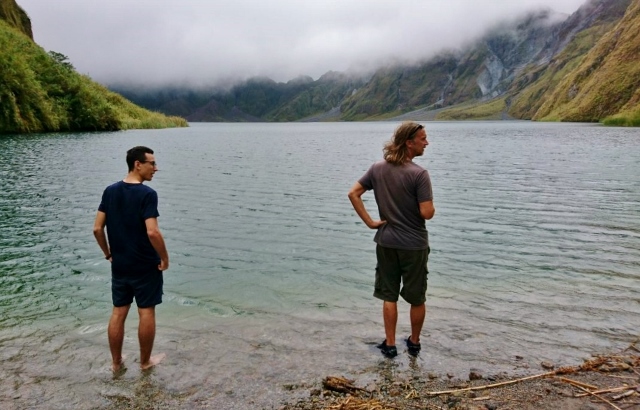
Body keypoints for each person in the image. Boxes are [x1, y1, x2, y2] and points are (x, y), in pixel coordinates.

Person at [348, 122, 435, 358]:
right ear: (409, 142)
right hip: (414, 245)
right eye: (423, 139)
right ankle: (414, 343)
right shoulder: (419, 174)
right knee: (417, 297)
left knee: (389, 295)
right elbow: (427, 213)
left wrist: (370, 222)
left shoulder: (377, 168)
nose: (427, 143)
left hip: (386, 242)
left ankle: (390, 344)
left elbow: (353, 193)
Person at [93, 146, 170, 372]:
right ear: (138, 164)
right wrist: (164, 258)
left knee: (119, 311)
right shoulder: (147, 194)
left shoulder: (110, 191)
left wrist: (108, 254)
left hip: (120, 265)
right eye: (152, 163)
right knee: (146, 311)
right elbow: (152, 232)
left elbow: (97, 229)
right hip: (145, 265)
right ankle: (145, 362)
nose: (155, 168)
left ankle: (116, 363)